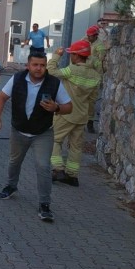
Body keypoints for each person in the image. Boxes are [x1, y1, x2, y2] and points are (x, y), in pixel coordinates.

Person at [0, 52, 72, 222]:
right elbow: (1, 97)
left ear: (46, 66)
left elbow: (69, 107)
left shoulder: (54, 83)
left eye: (42, 65)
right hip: (18, 130)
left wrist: (56, 108)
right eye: (35, 65)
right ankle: (11, 186)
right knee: (14, 161)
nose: (38, 68)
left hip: (43, 132)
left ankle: (44, 204)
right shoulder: (18, 79)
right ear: (28, 65)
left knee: (43, 166)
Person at [47, 40, 100, 187]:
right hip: (82, 116)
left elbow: (51, 71)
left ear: (77, 56)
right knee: (76, 147)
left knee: (54, 139)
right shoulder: (95, 76)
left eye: (72, 54)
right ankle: (73, 176)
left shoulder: (71, 70)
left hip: (66, 113)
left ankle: (58, 170)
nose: (70, 57)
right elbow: (93, 98)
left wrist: (56, 56)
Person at [84, 25, 106, 133]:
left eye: (90, 36)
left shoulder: (100, 46)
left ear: (95, 36)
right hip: (82, 74)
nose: (88, 37)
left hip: (93, 76)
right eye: (87, 35)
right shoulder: (84, 40)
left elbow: (100, 63)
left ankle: (90, 123)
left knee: (91, 102)